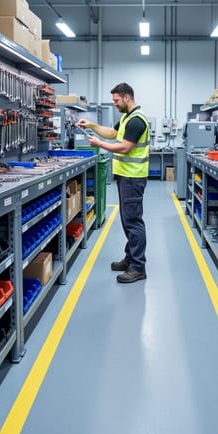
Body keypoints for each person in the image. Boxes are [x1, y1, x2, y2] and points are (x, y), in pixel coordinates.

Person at [77, 82, 150, 283]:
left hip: (133, 177)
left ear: (127, 98)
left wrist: (99, 144)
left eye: (116, 100)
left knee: (134, 222)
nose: (115, 104)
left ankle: (138, 267)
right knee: (128, 220)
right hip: (125, 177)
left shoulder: (137, 121)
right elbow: (112, 133)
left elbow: (125, 147)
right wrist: (91, 125)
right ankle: (130, 259)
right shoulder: (127, 118)